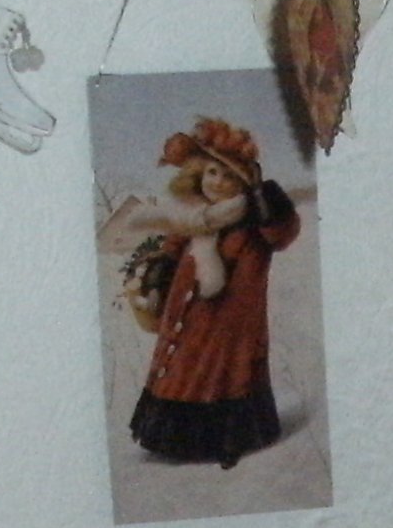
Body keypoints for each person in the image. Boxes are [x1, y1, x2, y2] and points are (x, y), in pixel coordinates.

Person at [119, 116, 302, 469]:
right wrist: (159, 270)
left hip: (229, 322)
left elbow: (282, 232)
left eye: (229, 176)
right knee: (180, 370)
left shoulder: (254, 221)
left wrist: (265, 198)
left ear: (244, 183)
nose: (218, 182)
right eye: (212, 172)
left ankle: (229, 440)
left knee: (225, 376)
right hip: (186, 313)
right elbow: (174, 246)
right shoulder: (196, 215)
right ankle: (175, 440)